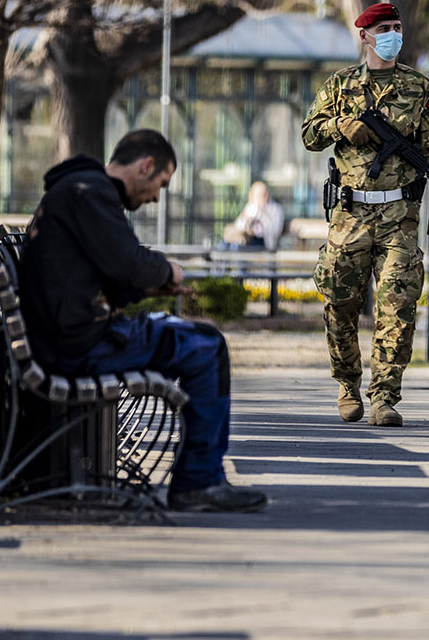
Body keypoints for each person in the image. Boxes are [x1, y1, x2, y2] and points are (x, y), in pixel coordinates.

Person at [17, 129, 268, 512]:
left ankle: (201, 478)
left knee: (202, 338)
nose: (155, 197)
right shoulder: (90, 192)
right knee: (207, 346)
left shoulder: (82, 190)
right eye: (160, 184)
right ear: (146, 165)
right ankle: (198, 482)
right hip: (80, 347)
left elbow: (107, 277)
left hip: (70, 337)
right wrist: (167, 270)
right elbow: (130, 262)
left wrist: (151, 288)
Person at [301, 2, 429, 426]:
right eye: (384, 28)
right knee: (339, 303)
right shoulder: (340, 85)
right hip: (349, 214)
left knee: (398, 307)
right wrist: (339, 126)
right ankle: (348, 383)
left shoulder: (417, 87)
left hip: (400, 216)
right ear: (365, 37)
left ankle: (384, 397)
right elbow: (309, 134)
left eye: (397, 27)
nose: (393, 34)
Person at [222, 180, 285, 250]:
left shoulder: (275, 209)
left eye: (264, 194)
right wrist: (246, 220)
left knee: (237, 248)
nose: (263, 197)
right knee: (225, 245)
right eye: (259, 195)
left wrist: (261, 215)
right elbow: (238, 226)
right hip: (247, 239)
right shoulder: (251, 207)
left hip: (264, 243)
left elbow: (275, 231)